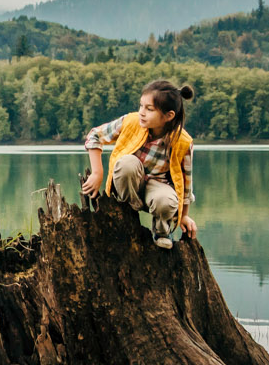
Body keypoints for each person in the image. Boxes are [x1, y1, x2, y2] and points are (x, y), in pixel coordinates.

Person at [78, 80, 197, 247]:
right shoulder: (131, 122)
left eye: (149, 109)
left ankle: (162, 231)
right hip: (129, 186)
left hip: (158, 187)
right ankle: (126, 213)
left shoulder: (183, 142)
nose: (141, 112)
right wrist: (97, 173)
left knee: (166, 200)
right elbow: (94, 136)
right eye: (141, 106)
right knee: (127, 163)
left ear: (168, 116)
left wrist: (184, 215)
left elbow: (186, 184)